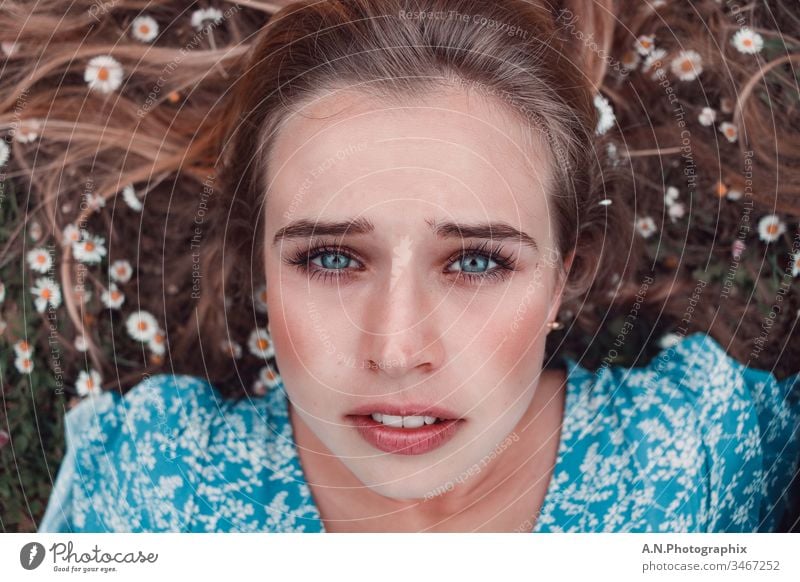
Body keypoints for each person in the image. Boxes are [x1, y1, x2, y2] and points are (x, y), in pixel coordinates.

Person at [2, 0, 797, 532]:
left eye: (478, 261)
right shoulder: (147, 490)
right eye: (333, 257)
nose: (396, 347)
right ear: (257, 267)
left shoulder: (715, 452)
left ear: (566, 274)